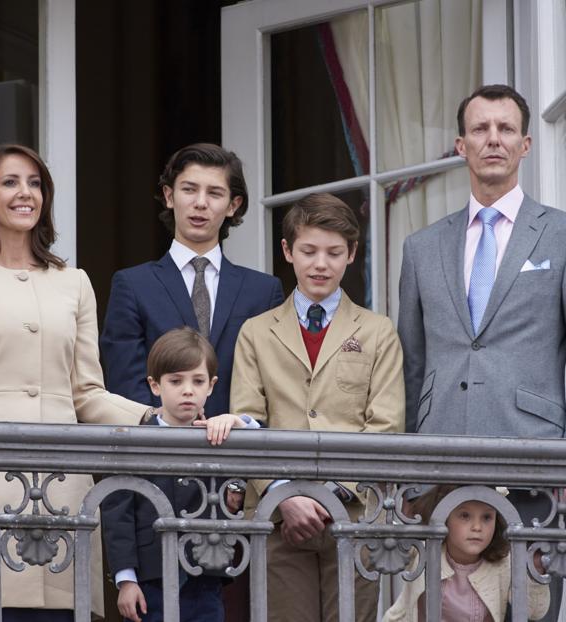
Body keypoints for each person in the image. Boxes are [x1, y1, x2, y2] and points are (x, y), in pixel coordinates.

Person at [0, 144, 151, 622]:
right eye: (11, 182)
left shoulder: (73, 282)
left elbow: (87, 394)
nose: (26, 193)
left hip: (62, 497)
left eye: (35, 183)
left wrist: (152, 417)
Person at [397, 84, 566, 620]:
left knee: (531, 610)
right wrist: (405, 468)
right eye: (480, 129)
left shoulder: (561, 234)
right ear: (460, 145)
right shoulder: (421, 247)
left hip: (535, 462)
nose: (493, 139)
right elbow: (412, 359)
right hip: (439, 461)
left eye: (506, 129)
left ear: (526, 144)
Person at [230, 192, 405, 622]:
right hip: (278, 519)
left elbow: (385, 426)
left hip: (354, 515)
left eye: (334, 252)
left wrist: (327, 494)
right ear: (288, 251)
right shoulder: (256, 333)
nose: (320, 264)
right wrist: (285, 494)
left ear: (352, 255)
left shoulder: (378, 331)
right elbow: (246, 422)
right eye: (308, 251)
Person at [100, 142, 284, 417]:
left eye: (215, 193)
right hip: (159, 446)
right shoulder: (132, 285)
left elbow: (271, 382)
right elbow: (125, 381)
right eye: (189, 189)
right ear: (169, 196)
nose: (200, 202)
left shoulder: (264, 291)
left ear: (233, 205)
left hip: (239, 449)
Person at [101, 327, 259, 622]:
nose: (188, 390)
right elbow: (118, 513)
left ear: (211, 386)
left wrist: (239, 422)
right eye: (176, 381)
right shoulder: (133, 442)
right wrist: (126, 580)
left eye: (198, 381)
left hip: (206, 576)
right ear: (155, 385)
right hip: (151, 579)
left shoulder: (219, 434)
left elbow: (261, 450)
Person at [383, 485, 550, 621]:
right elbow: (381, 537)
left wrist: (533, 576)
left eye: (486, 517)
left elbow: (533, 612)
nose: (477, 527)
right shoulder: (423, 549)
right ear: (445, 517)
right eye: (465, 515)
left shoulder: (504, 561)